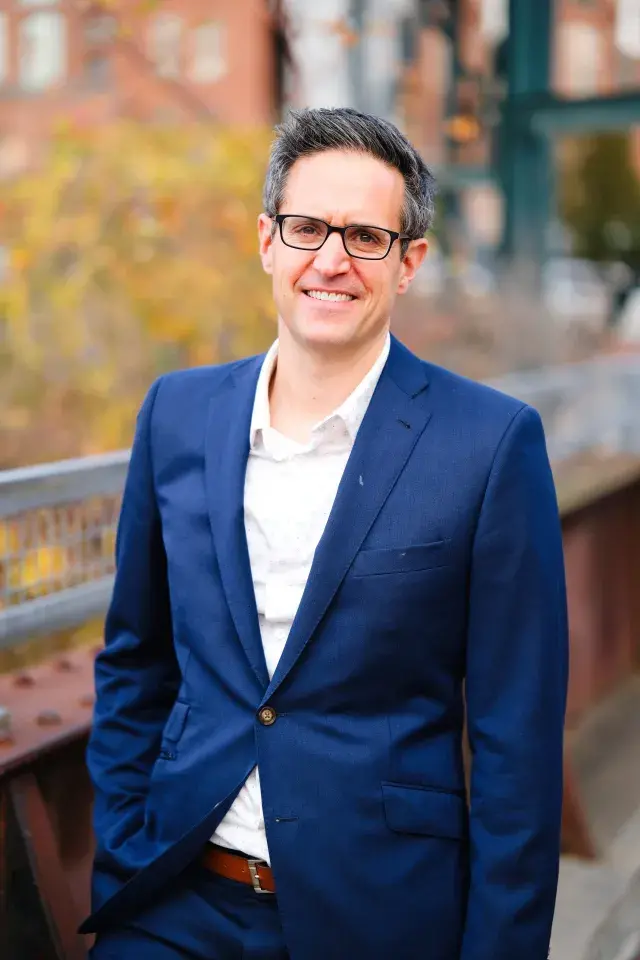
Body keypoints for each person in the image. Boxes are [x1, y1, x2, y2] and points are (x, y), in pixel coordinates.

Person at [82, 107, 568, 960]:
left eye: (366, 237)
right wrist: (122, 848)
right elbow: (136, 658)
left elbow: (514, 744)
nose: (331, 260)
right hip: (173, 899)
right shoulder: (176, 414)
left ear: (410, 261)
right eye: (307, 228)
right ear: (268, 240)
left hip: (377, 917)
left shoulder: (490, 444)